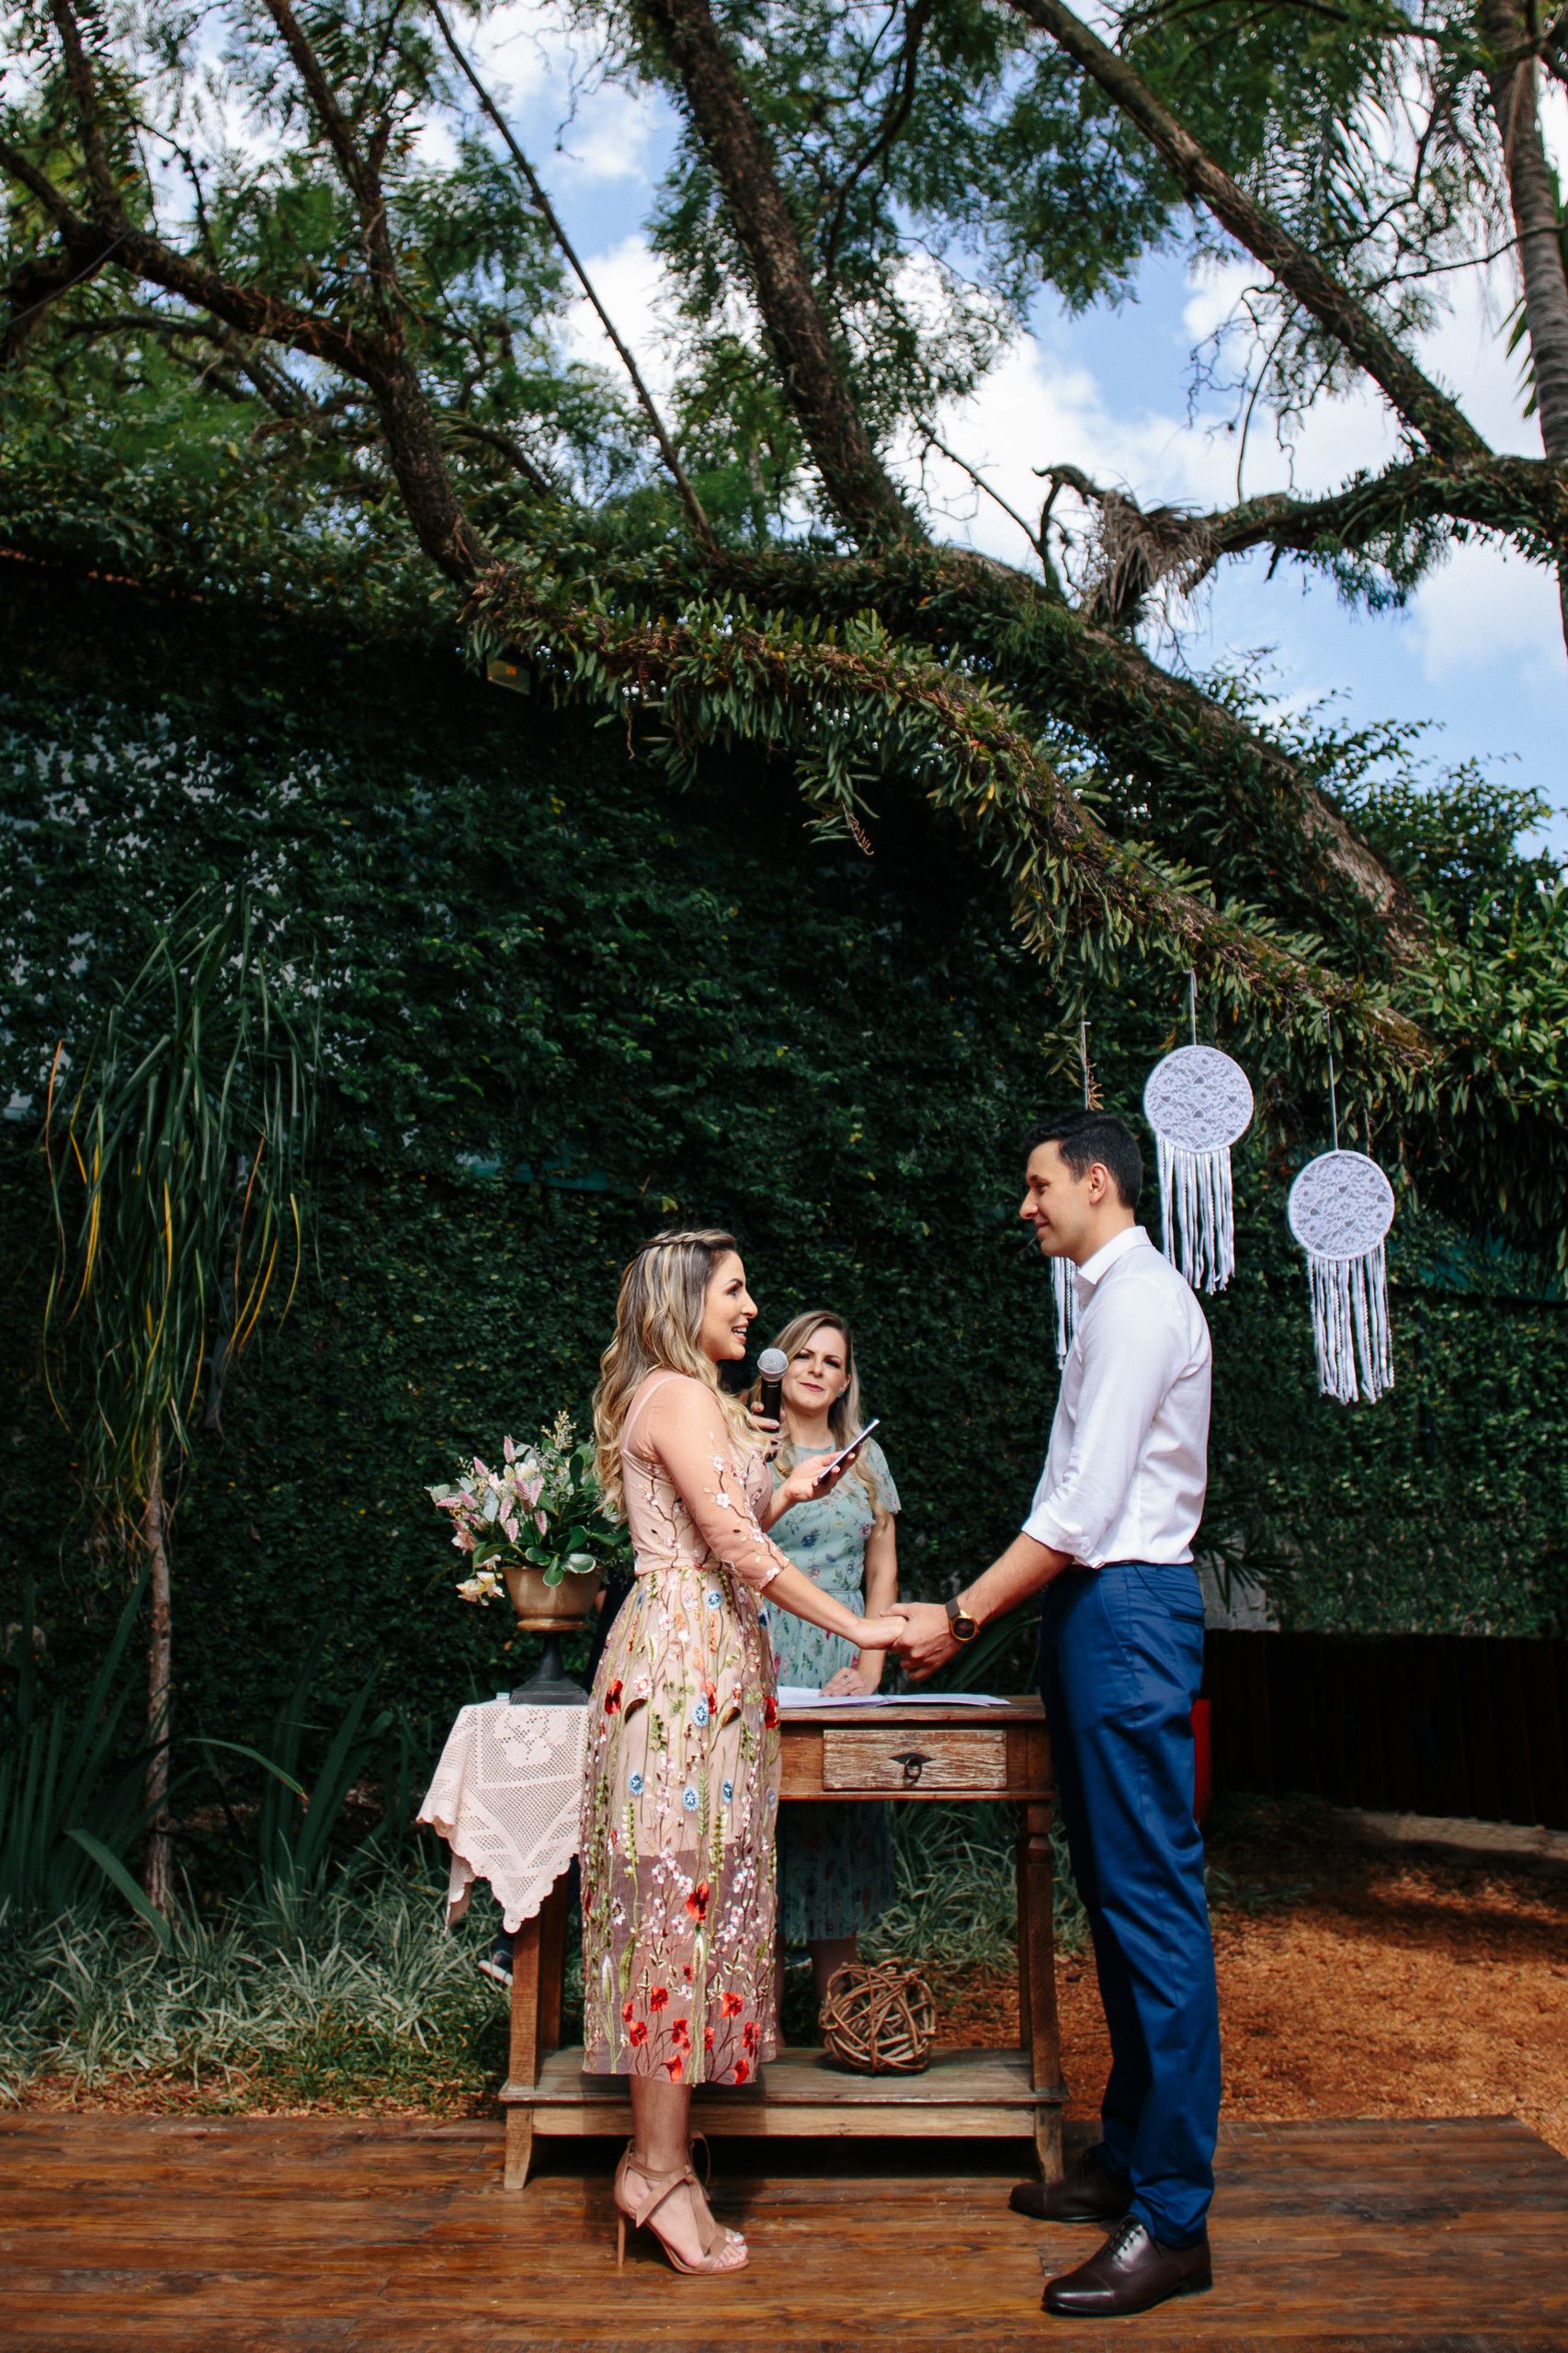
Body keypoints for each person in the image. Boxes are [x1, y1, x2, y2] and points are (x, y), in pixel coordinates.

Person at [892, 1110, 1219, 2322]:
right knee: (1109, 1894)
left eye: (1036, 1185)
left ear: (1095, 1182)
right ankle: (1129, 2161)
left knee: (1152, 1905)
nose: (1023, 1206)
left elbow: (1080, 1512)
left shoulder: (1136, 1304)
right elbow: (1070, 1499)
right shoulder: (1099, 1303)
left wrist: (958, 1616)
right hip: (1092, 1617)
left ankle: (1174, 2222)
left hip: (1127, 1610)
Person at [580, 1229, 906, 2277]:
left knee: (695, 1903)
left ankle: (658, 2158)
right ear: (685, 1300)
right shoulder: (676, 1396)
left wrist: (787, 1489)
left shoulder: (699, 1402)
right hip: (680, 1666)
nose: (752, 1307)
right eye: (734, 1289)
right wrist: (861, 1629)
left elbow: (732, 1516)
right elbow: (735, 1550)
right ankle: (657, 2170)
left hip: (711, 1664)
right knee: (671, 1910)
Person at [762, 1311, 900, 2005]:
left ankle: (838, 2005)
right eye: (805, 1356)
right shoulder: (749, 1443)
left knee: (840, 1823)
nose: (817, 1369)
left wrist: (872, 1665)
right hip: (761, 1651)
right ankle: (756, 2017)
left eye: (833, 1361)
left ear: (846, 1380)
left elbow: (882, 1569)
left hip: (842, 1661)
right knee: (759, 1822)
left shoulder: (866, 1457)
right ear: (780, 1365)